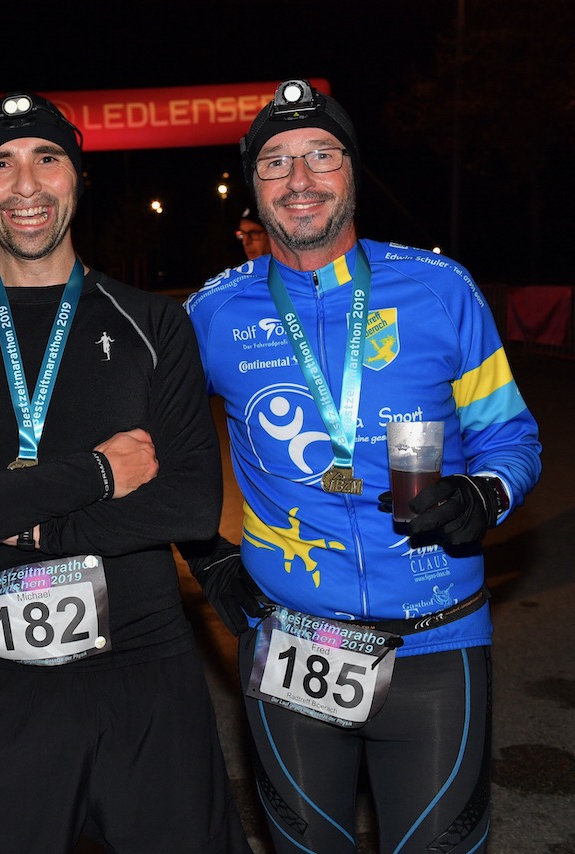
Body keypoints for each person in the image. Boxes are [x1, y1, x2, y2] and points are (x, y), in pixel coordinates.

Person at [0, 93, 248, 853]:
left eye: (47, 159)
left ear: (77, 180)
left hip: (145, 677)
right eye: (0, 164)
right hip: (0, 682)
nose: (25, 184)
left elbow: (187, 504)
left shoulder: (153, 324)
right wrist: (100, 472)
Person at [183, 79, 541, 853]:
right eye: (275, 163)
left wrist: (487, 490)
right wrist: (206, 555)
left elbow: (511, 435)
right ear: (253, 190)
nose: (300, 179)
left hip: (438, 643)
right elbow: (154, 448)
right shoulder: (212, 313)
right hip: (291, 644)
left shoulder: (441, 289)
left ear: (352, 172)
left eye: (320, 155)